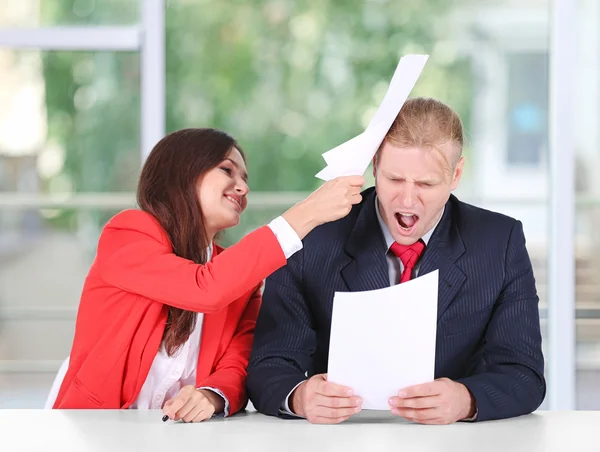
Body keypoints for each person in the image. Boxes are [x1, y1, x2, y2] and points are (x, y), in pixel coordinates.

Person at [247, 97, 546, 425]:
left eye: (425, 184)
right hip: (340, 439)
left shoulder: (499, 242)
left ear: (456, 174)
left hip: (452, 441)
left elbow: (524, 375)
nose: (407, 199)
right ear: (375, 165)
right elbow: (268, 367)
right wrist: (301, 396)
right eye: (394, 179)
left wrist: (466, 399)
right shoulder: (311, 239)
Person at [48, 128, 364, 422]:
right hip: (92, 425)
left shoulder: (241, 279)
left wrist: (211, 396)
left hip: (176, 435)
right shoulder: (128, 233)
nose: (243, 187)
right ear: (181, 174)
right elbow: (205, 288)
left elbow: (239, 362)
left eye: (244, 177)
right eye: (227, 170)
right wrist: (305, 213)